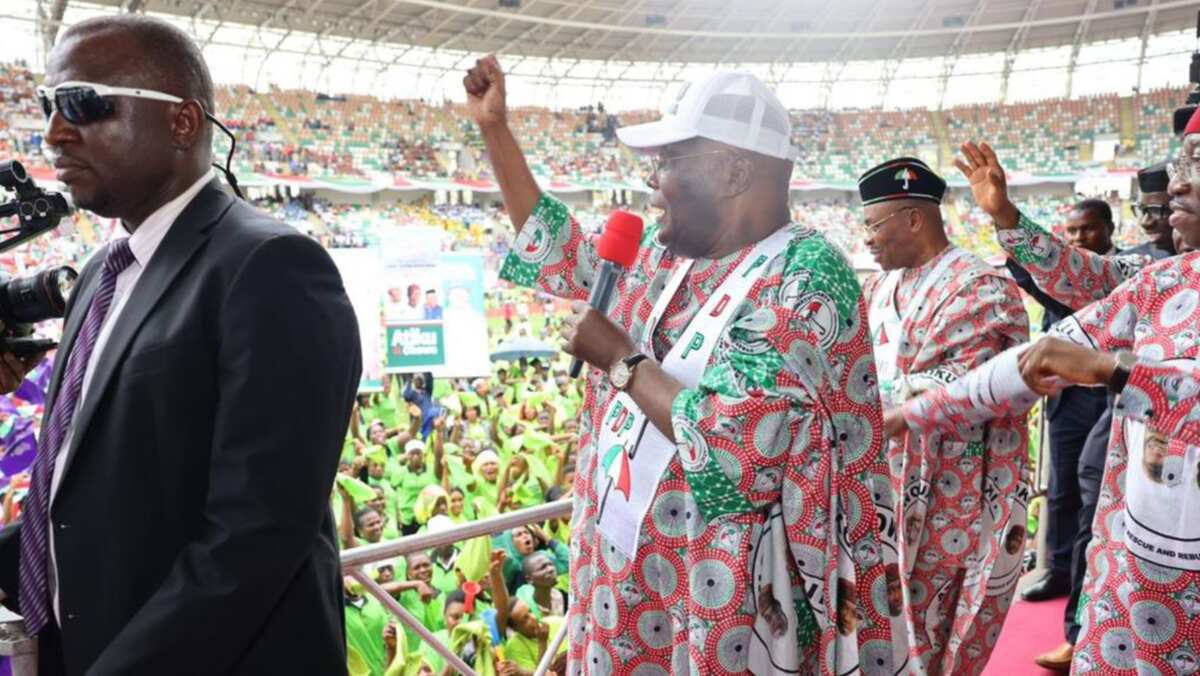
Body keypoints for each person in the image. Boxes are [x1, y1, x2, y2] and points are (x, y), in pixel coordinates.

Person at [464, 55, 905, 674]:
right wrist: (494, 130)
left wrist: (619, 360)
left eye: (669, 162)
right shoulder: (665, 255)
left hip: (729, 606)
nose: (652, 182)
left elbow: (737, 447)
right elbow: (559, 249)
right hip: (631, 585)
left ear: (733, 171)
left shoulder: (804, 276)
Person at [0, 15, 361, 675]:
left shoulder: (273, 267)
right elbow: (83, 508)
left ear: (183, 123)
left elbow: (255, 538)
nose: (53, 131)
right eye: (50, 106)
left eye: (82, 103)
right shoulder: (100, 277)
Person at [890, 109, 1200, 674]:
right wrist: (910, 415)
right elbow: (1026, 365)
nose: (1177, 182)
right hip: (1131, 580)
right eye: (1181, 164)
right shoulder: (1167, 280)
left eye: (1197, 165)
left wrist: (1117, 372)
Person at [858, 157, 1029, 674]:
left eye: (873, 224)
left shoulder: (980, 287)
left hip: (948, 499)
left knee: (932, 632)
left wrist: (894, 405)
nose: (866, 238)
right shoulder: (877, 287)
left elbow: (971, 388)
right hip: (879, 486)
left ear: (914, 219)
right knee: (880, 626)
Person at [1032, 163, 1179, 671]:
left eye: (1165, 202)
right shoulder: (1158, 275)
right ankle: (1079, 628)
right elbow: (1080, 278)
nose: (1164, 206)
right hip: (1141, 541)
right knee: (1088, 500)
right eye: (1151, 206)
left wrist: (1116, 374)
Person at [1004, 199, 1115, 607]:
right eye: (1071, 233)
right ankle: (1060, 570)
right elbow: (1037, 284)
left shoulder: (1127, 274)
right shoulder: (1059, 281)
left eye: (1087, 229)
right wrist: (1013, 241)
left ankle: (1096, 577)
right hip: (1068, 401)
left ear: (1109, 228)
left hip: (1110, 399)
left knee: (1101, 490)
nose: (1079, 238)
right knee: (1063, 488)